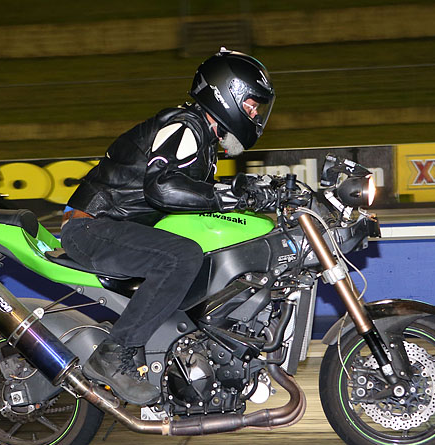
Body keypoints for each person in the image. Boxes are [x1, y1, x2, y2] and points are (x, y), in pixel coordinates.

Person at [61, 49, 277, 405]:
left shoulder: (204, 141)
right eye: (252, 105)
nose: (255, 115)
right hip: (93, 227)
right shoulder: (185, 126)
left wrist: (248, 193)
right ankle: (113, 354)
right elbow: (161, 186)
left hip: (116, 227)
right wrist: (225, 196)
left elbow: (190, 194)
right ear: (226, 94)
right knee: (180, 258)